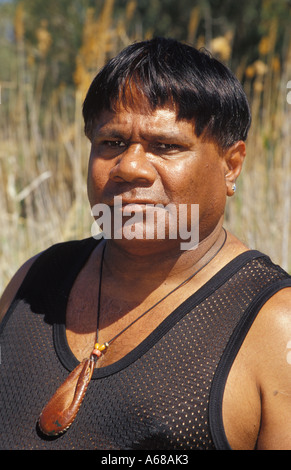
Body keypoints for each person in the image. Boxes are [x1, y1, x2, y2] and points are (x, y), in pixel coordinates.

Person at [0, 37, 291, 451]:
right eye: (112, 143)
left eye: (166, 146)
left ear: (231, 166)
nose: (130, 167)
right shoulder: (35, 283)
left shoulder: (273, 324)